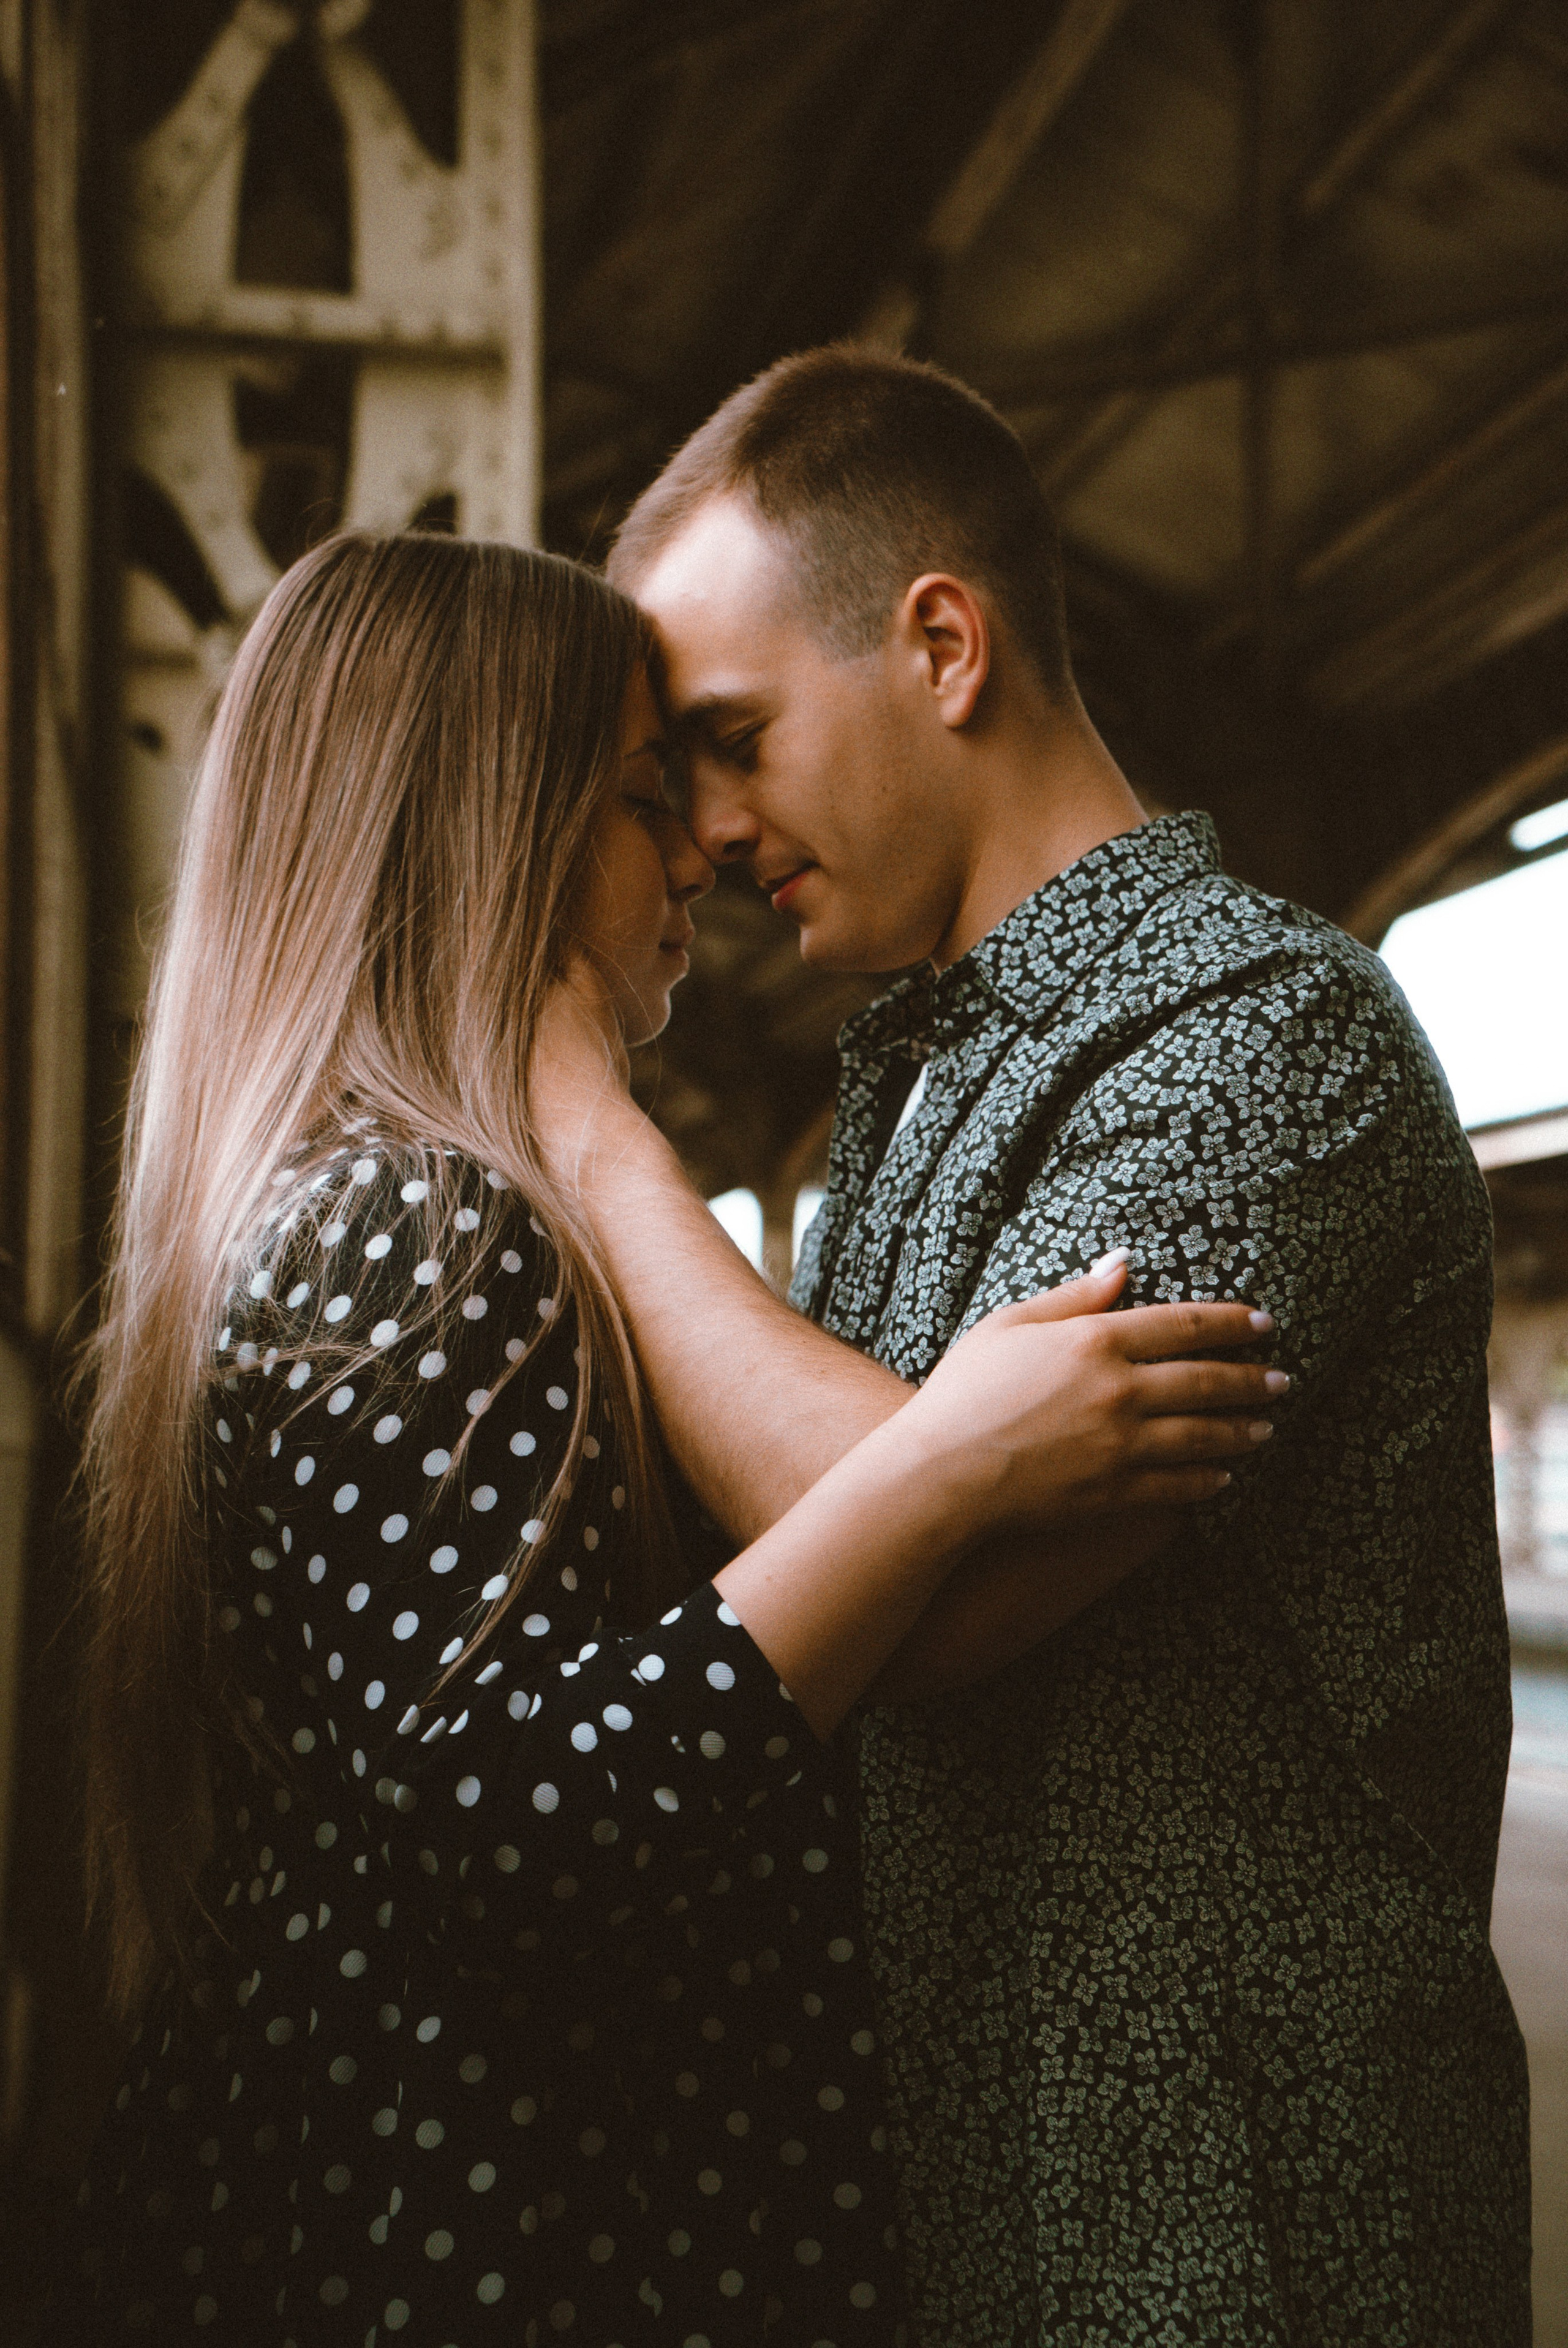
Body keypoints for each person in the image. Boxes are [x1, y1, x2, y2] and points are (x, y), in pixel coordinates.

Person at [61, 529, 1281, 2347]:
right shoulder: (422, 1223)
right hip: (496, 2227)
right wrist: (943, 1457)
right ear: (494, 827)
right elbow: (512, 1823)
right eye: (645, 794)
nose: (702, 846)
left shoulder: (331, 1197)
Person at [531, 346, 1533, 2345]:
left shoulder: (1266, 1038)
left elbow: (940, 1589)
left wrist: (589, 1134)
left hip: (1247, 2238)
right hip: (996, 2198)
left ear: (943, 644)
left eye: (731, 739)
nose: (704, 832)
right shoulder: (919, 1075)